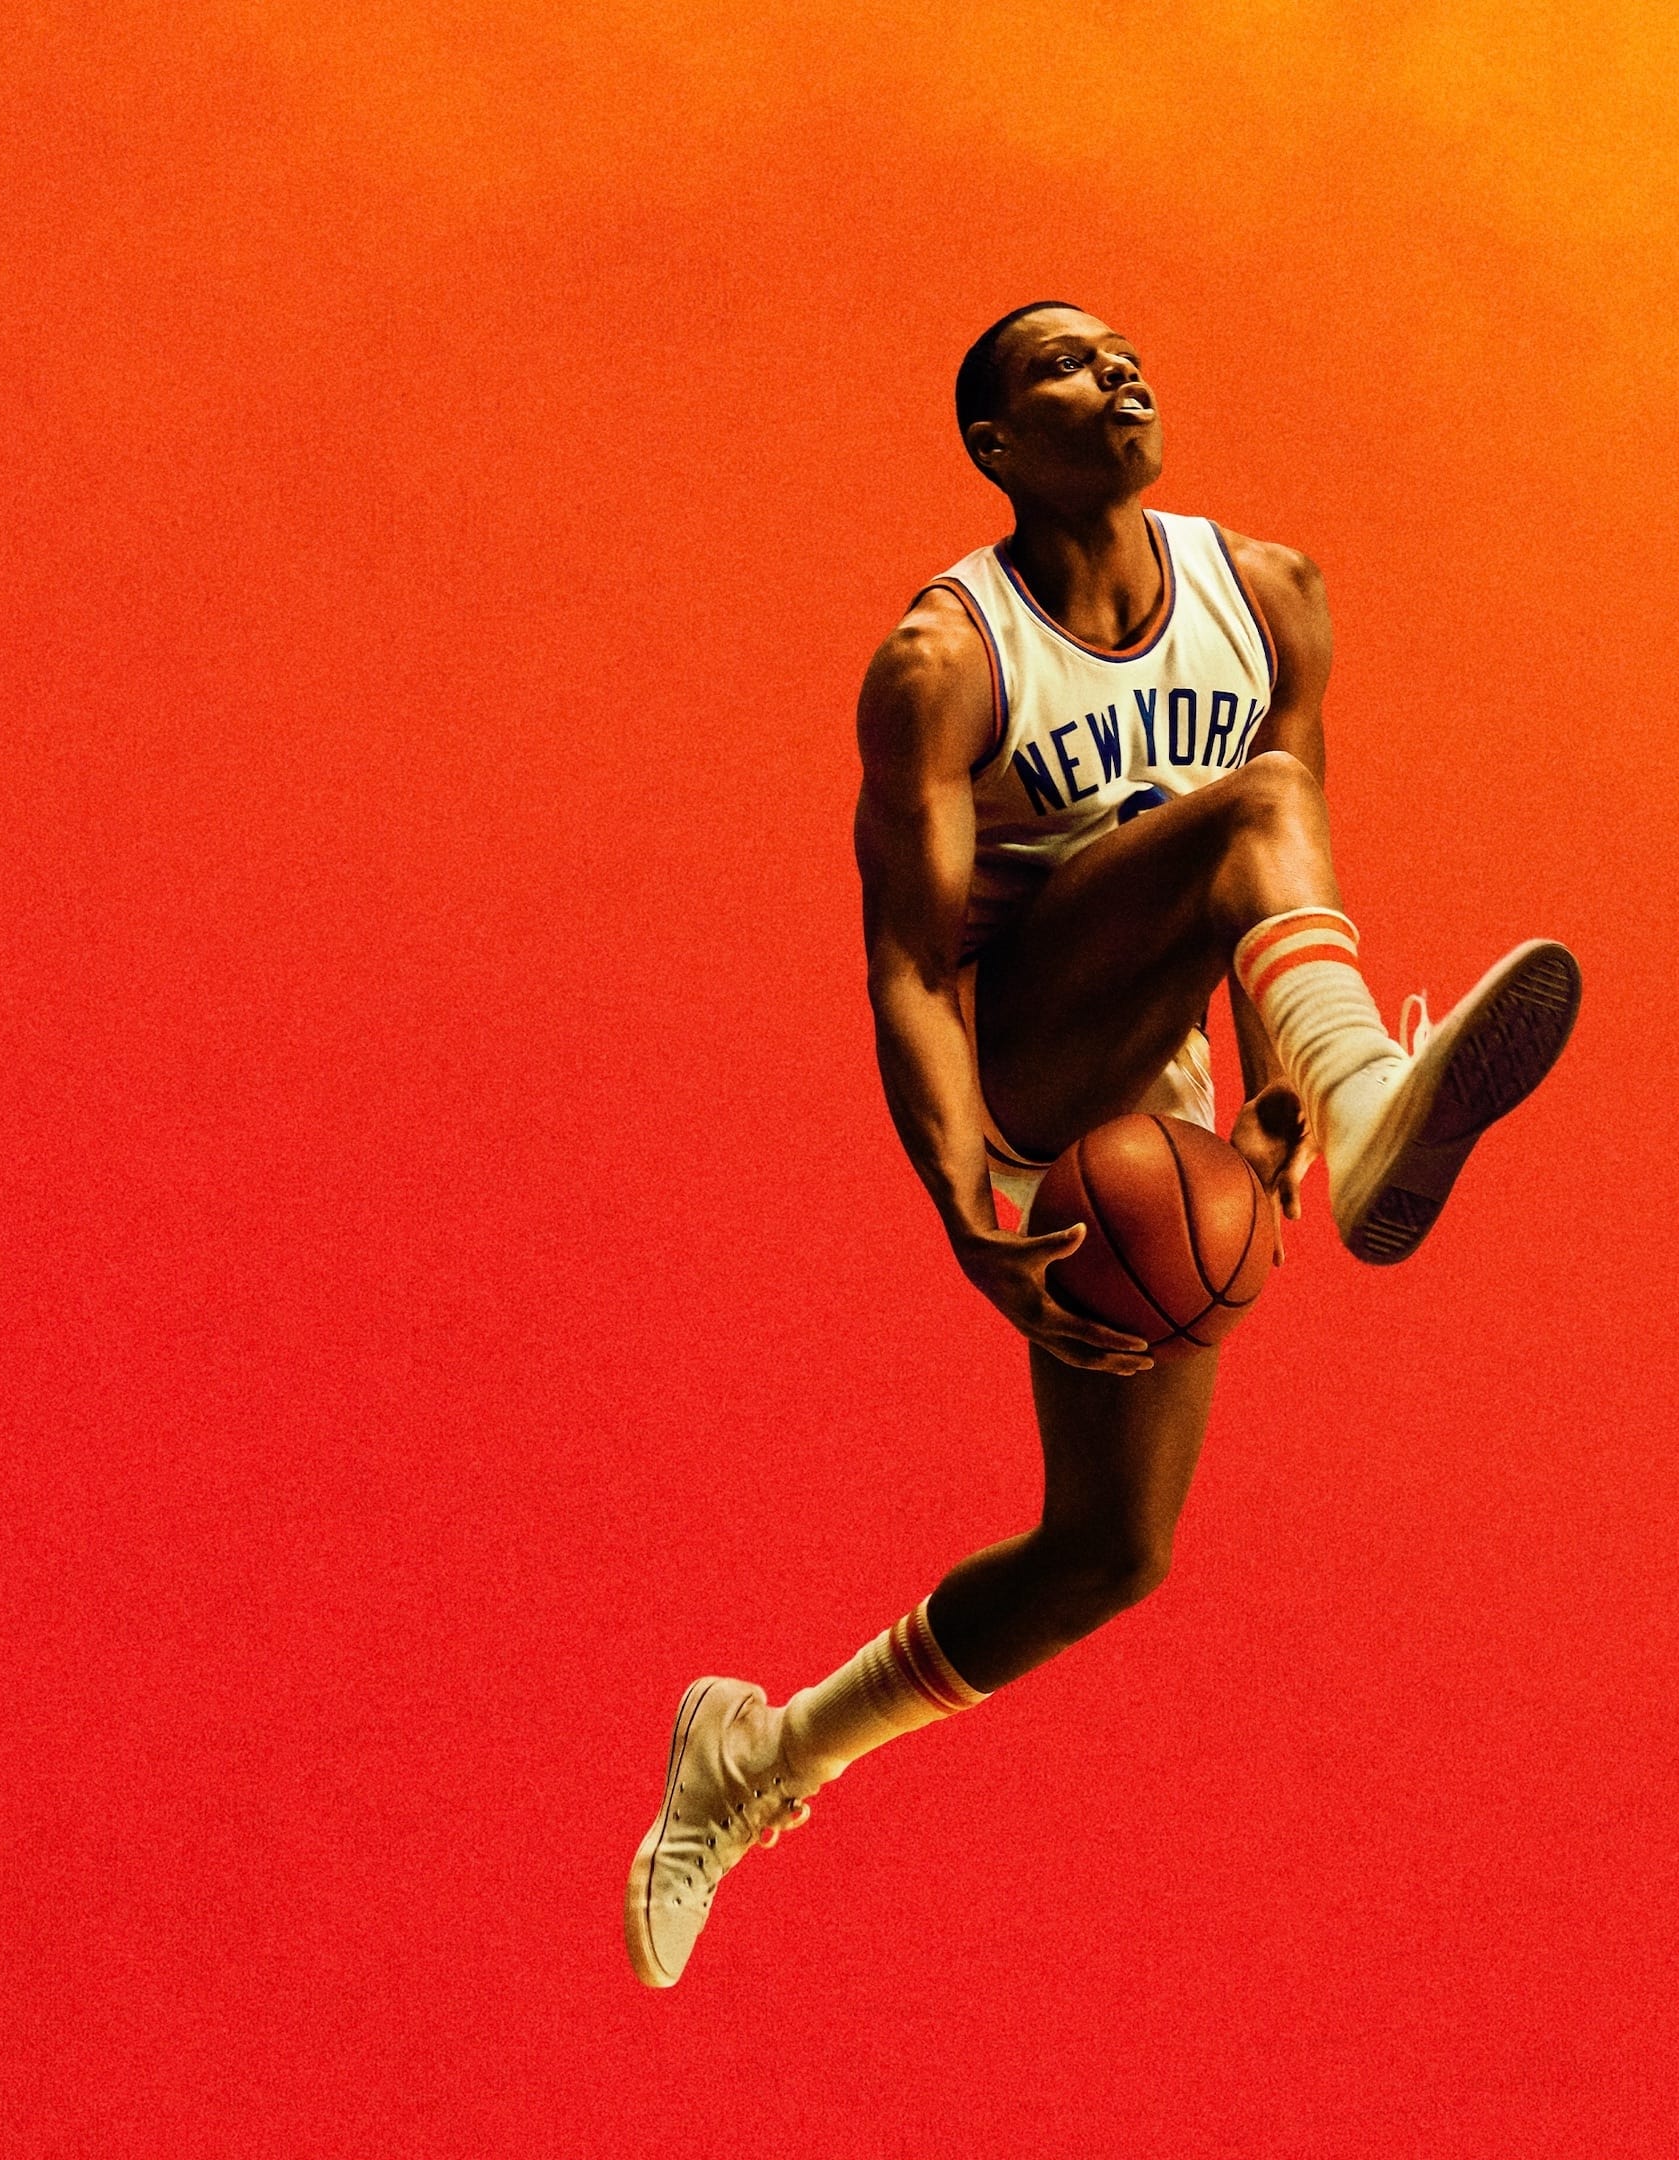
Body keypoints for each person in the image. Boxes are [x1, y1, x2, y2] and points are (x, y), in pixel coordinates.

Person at [625, 302, 1581, 1986]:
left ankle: (762, 1755)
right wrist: (960, 1198)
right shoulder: (947, 661)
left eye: (1127, 351)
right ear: (993, 446)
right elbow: (911, 963)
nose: (1119, 372)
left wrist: (1277, 1109)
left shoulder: (1269, 595)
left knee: (1111, 1552)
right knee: (1253, 807)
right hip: (1025, 1064)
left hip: (1164, 1092)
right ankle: (1373, 1089)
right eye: (1066, 364)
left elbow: (1292, 872)